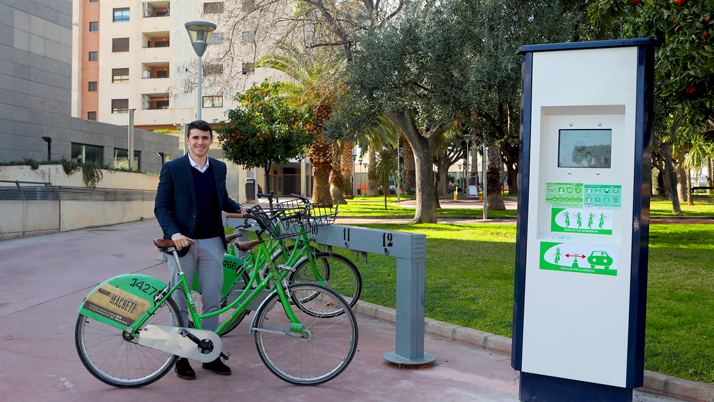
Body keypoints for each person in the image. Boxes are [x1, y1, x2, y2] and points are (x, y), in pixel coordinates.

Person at [154, 119, 243, 380]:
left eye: (205, 138)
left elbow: (221, 198)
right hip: (182, 244)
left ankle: (208, 354)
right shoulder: (172, 168)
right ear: (187, 140)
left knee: (213, 301)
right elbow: (161, 207)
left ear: (211, 141)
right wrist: (174, 233)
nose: (200, 142)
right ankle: (180, 356)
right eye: (195, 138)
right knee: (180, 301)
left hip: (213, 242)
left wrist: (238, 208)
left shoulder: (218, 167)